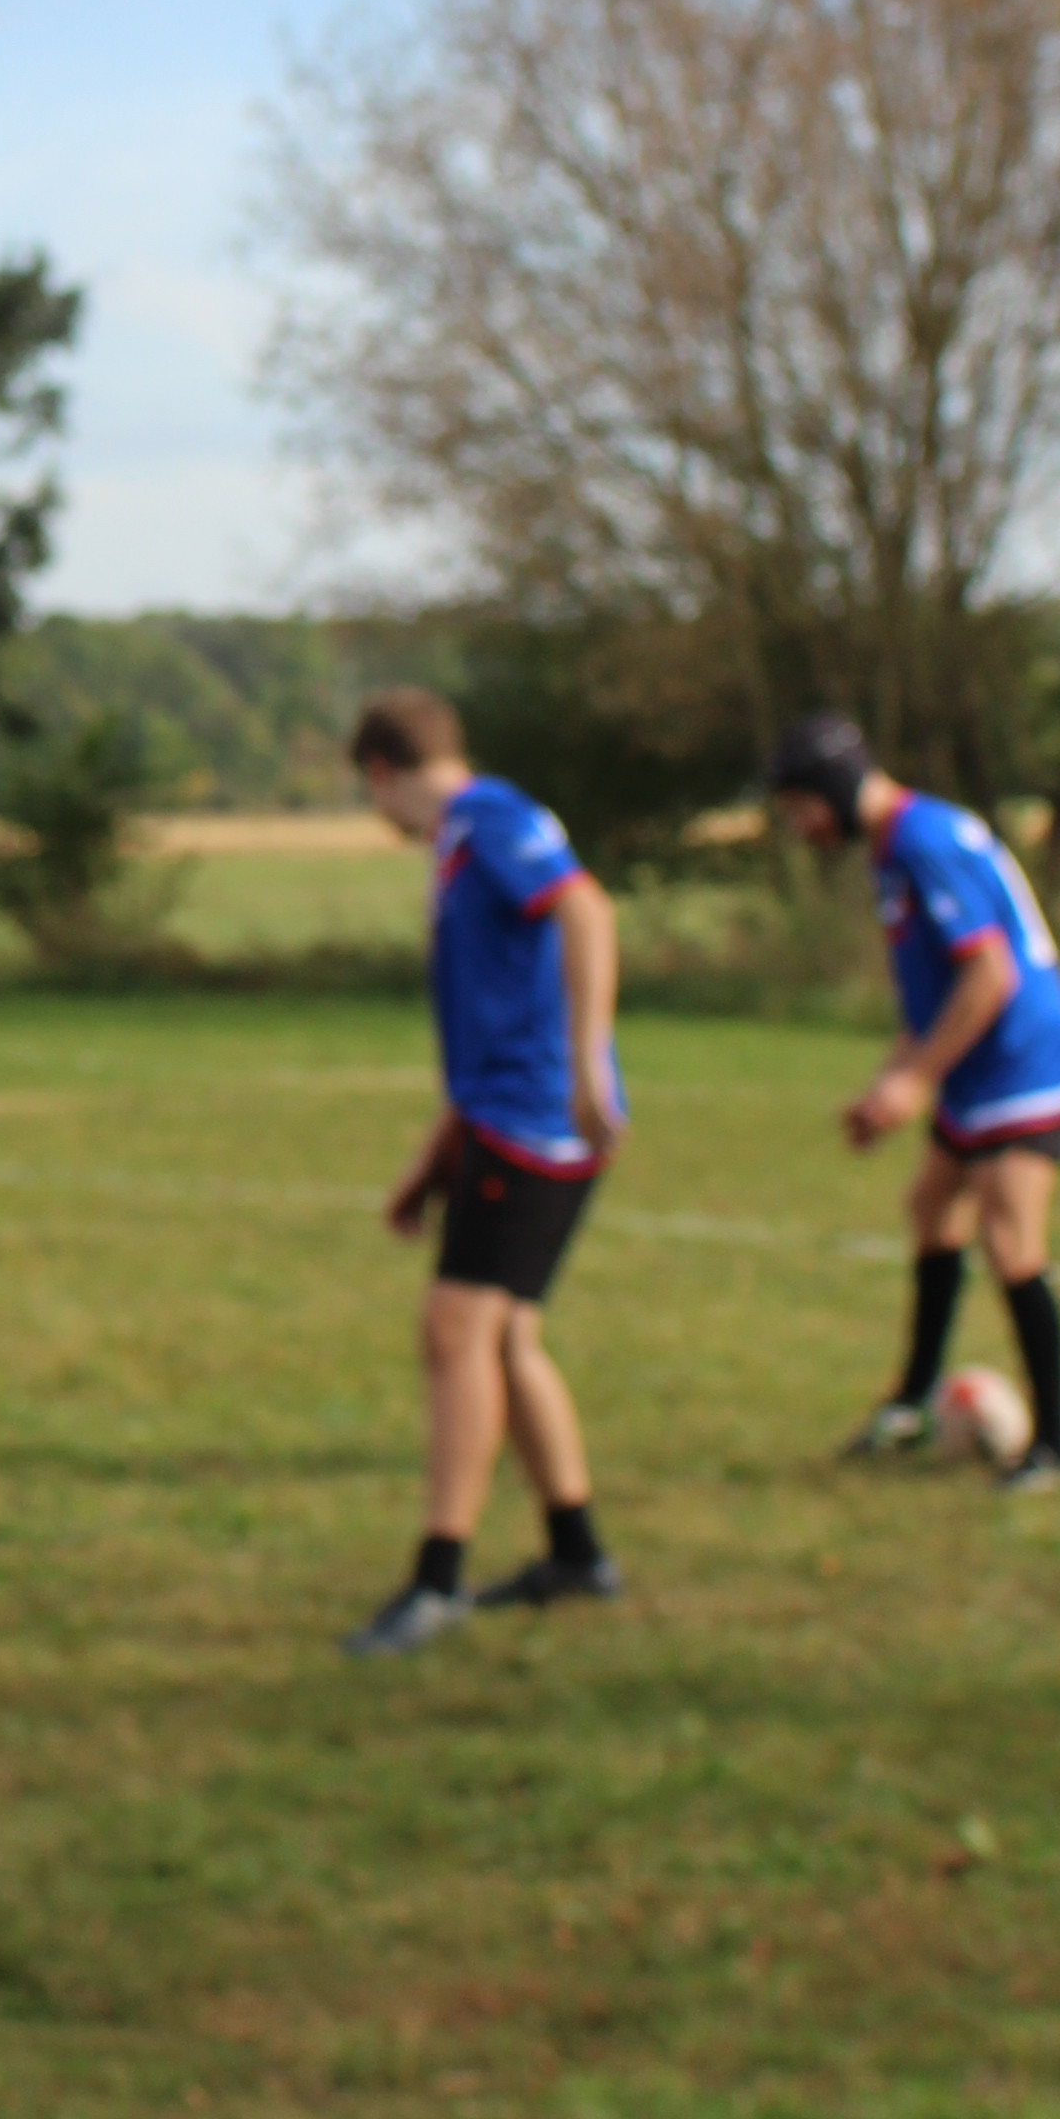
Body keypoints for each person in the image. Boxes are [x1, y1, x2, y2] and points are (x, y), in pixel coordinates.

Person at [338, 689, 626, 1658]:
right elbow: (492, 1018)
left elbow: (584, 907)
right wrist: (433, 1161)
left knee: (456, 1330)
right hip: (505, 1119)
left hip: (536, 1120)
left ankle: (438, 1581)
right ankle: (577, 1554)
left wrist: (588, 1066)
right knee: (507, 1339)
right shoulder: (465, 840)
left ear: (380, 773)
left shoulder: (490, 818)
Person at [764, 716, 1060, 1496]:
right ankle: (910, 1406)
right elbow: (937, 995)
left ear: (831, 790)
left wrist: (913, 1082)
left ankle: (1051, 1446)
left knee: (1011, 1243)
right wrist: (892, 1079)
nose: (801, 830)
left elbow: (989, 977)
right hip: (979, 1064)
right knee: (932, 1207)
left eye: (800, 811)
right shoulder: (895, 847)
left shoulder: (924, 842)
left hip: (1022, 1062)